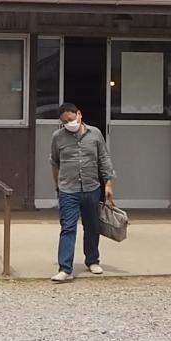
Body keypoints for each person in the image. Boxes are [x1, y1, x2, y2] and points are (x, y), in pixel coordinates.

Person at [50, 102, 115, 283]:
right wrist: (57, 185)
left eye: (71, 119)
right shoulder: (58, 137)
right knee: (68, 227)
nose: (69, 123)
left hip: (91, 187)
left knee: (92, 226)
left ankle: (92, 260)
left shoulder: (95, 134)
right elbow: (54, 162)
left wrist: (109, 183)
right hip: (68, 189)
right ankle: (65, 268)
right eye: (64, 122)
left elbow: (104, 158)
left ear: (79, 114)